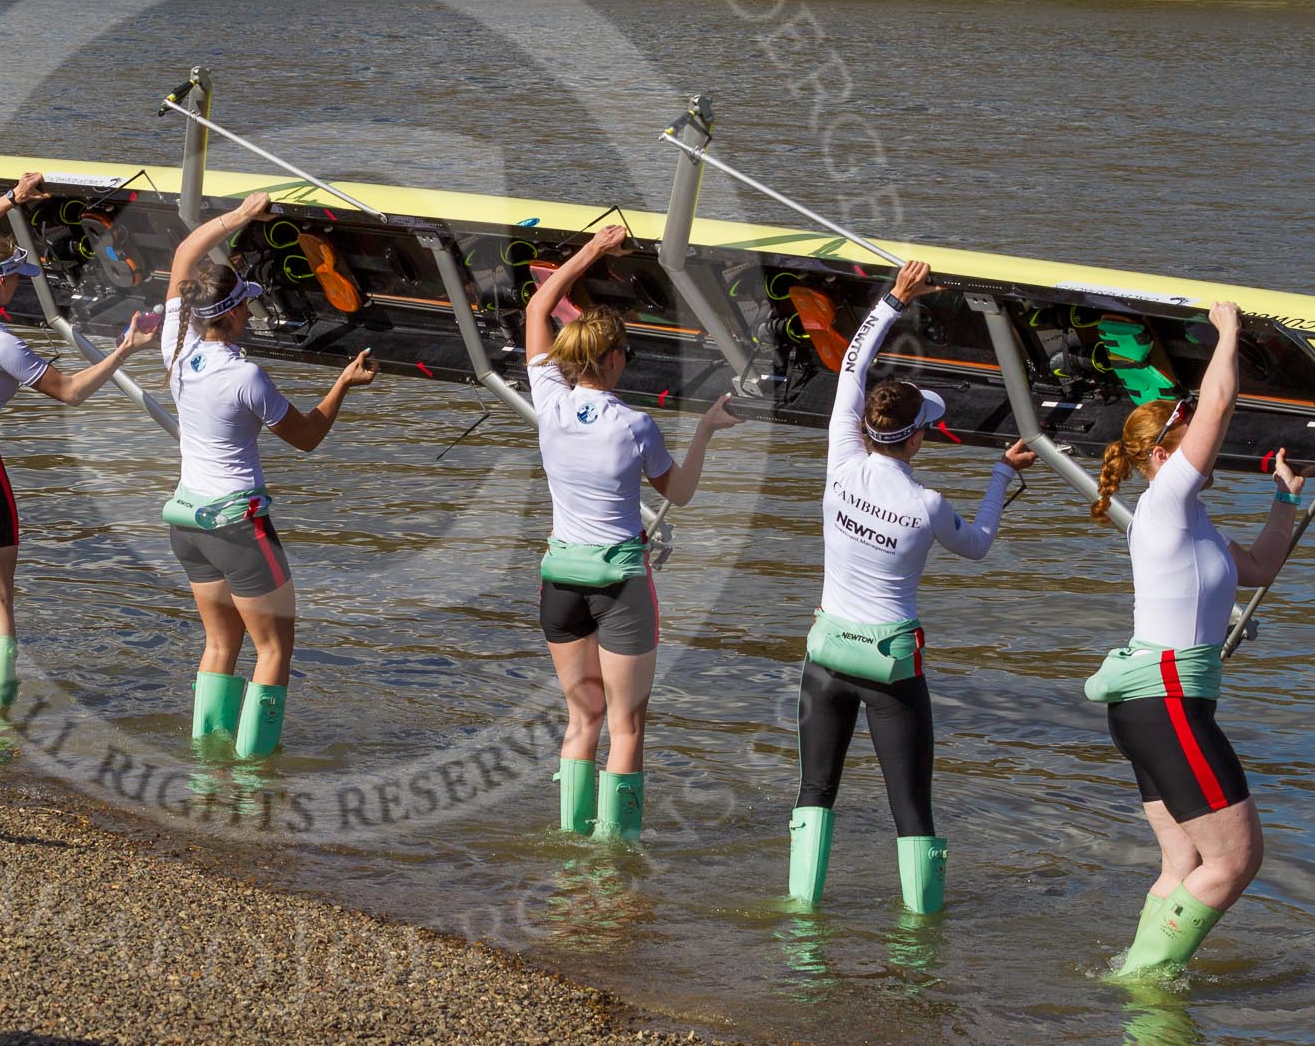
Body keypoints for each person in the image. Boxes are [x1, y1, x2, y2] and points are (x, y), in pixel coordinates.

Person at [789, 260, 1032, 914]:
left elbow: (851, 367)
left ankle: (800, 917)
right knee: (910, 807)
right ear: (918, 436)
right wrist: (1000, 480)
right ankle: (921, 941)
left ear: (870, 426)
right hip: (890, 669)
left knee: (816, 791)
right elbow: (977, 545)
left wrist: (892, 298)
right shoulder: (926, 505)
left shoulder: (841, 456)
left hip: (825, 659)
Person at [1087, 301, 1300, 977]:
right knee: (1236, 861)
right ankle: (1143, 983)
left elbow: (1261, 567)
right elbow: (1217, 405)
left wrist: (1286, 500)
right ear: (1160, 455)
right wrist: (1229, 332)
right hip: (1167, 706)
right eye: (1190, 443)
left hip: (1161, 708)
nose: (1208, 448)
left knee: (1183, 863)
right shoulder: (1165, 505)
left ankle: (1135, 973)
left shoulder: (1195, 525)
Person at [524, 226, 742, 841]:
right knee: (627, 724)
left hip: (559, 578)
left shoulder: (550, 400)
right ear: (615, 358)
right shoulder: (635, 425)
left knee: (581, 718)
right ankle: (615, 852)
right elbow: (679, 494)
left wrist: (593, 251)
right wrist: (705, 429)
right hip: (619, 582)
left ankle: (569, 838)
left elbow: (539, 305)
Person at [0, 173, 157, 702]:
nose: (20, 284)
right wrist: (125, 351)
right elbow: (69, 391)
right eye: (17, 277)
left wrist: (12, 199)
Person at [164, 192, 375, 759]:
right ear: (232, 314)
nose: (251, 314)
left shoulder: (174, 345)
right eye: (246, 307)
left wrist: (237, 217)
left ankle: (208, 757)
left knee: (219, 641)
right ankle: (256, 768)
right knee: (274, 649)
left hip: (186, 521)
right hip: (238, 527)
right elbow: (306, 437)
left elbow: (186, 250)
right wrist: (342, 386)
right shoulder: (245, 375)